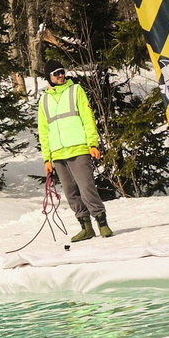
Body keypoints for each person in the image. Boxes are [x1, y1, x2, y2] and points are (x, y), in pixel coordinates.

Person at [36, 67, 112, 240]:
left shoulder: (75, 90)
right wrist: (47, 158)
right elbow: (44, 131)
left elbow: (87, 117)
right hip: (57, 153)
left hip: (78, 147)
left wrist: (92, 144)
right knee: (71, 192)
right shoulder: (44, 100)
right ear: (49, 76)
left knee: (86, 187)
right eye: (56, 73)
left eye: (62, 72)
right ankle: (86, 227)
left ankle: (102, 223)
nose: (61, 75)